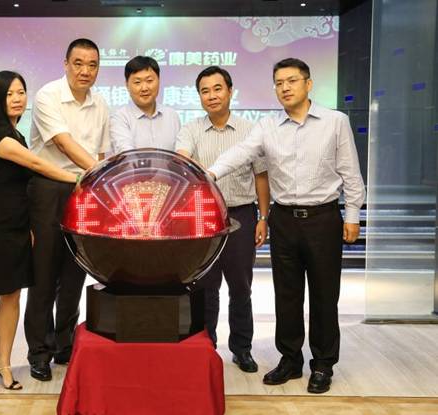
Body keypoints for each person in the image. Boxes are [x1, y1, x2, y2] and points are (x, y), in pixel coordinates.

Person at [208, 58, 365, 393]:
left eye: (291, 81)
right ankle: (290, 360)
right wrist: (211, 173)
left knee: (324, 296)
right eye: (279, 83)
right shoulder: (267, 126)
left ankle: (322, 364)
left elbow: (351, 172)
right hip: (284, 220)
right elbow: (241, 152)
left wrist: (352, 215)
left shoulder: (335, 122)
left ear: (308, 84)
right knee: (287, 295)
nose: (285, 88)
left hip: (323, 218)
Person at [0, 71, 76, 394]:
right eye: (9, 93)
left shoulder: (17, 133)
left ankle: (2, 361)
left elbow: (23, 188)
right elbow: (37, 166)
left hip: (16, 227)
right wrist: (77, 178)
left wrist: (29, 227)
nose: (17, 98)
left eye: (21, 92)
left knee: (12, 296)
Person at [24, 38, 110, 382]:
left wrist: (96, 183)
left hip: (84, 191)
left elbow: (100, 152)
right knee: (44, 275)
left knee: (75, 272)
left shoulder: (100, 103)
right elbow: (63, 143)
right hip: (49, 188)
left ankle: (64, 345)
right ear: (65, 64)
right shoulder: (48, 95)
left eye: (92, 65)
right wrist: (100, 174)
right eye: (78, 63)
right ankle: (39, 352)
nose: (85, 71)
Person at [175, 66, 270, 373]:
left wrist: (263, 217)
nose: (212, 96)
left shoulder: (250, 131)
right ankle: (207, 347)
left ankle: (242, 349)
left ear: (230, 91)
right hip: (203, 218)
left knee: (241, 287)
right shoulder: (191, 129)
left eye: (218, 89)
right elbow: (182, 158)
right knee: (205, 287)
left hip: (241, 214)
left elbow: (261, 176)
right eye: (205, 91)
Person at [110, 56, 181, 153]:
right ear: (127, 85)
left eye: (149, 81)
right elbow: (126, 154)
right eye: (137, 82)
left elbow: (179, 154)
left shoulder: (172, 116)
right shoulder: (120, 118)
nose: (144, 88)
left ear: (159, 80)